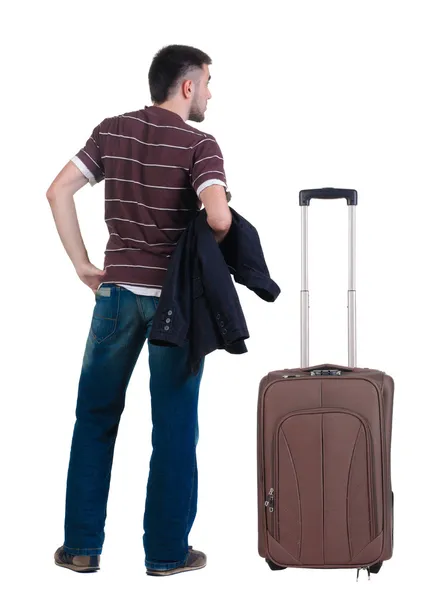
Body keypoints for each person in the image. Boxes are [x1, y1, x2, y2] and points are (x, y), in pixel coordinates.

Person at [46, 44, 232, 577]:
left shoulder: (113, 130)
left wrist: (84, 264)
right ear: (188, 85)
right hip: (173, 307)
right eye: (209, 82)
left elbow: (58, 191)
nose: (211, 93)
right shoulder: (201, 144)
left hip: (115, 297)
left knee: (94, 419)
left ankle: (81, 547)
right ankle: (167, 553)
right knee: (174, 427)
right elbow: (218, 219)